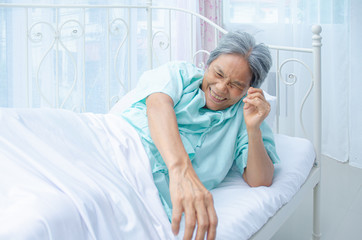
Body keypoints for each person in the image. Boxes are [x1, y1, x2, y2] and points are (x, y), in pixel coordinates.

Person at [110, 31, 280, 240]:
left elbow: (260, 180)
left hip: (137, 184)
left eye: (236, 85)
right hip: (115, 144)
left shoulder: (245, 117)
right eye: (218, 74)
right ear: (208, 64)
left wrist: (253, 129)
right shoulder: (180, 74)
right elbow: (157, 105)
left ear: (249, 89)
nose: (220, 88)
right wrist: (181, 170)